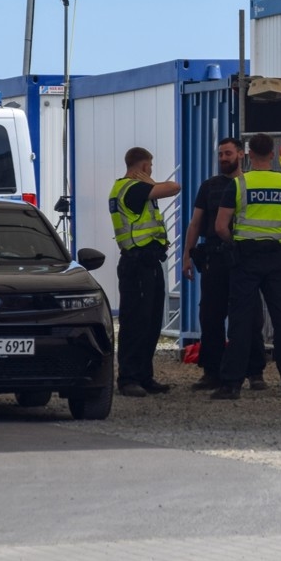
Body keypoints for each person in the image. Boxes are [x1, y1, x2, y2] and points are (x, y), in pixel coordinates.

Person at [211, 133, 281, 400]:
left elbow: (220, 226)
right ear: (273, 155)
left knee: (241, 320)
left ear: (249, 155)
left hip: (245, 257)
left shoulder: (239, 184)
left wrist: (236, 242)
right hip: (278, 257)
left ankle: (231, 385)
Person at [181, 137, 267, 392]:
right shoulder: (209, 187)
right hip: (215, 258)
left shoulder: (250, 184)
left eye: (228, 153)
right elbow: (196, 222)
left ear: (241, 154)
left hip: (243, 258)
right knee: (211, 315)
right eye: (220, 154)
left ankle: (255, 371)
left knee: (250, 316)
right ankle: (212, 371)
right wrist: (187, 254)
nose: (223, 159)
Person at [108, 146, 180, 398]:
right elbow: (174, 187)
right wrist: (150, 181)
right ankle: (128, 378)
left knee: (150, 323)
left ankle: (144, 376)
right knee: (136, 322)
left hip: (147, 263)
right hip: (137, 264)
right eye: (150, 167)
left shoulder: (123, 188)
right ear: (143, 167)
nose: (152, 172)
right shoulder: (134, 188)